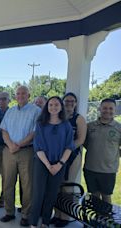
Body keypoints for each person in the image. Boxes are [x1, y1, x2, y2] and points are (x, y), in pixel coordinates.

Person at [30, 96, 74, 228]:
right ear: (46, 107)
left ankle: (45, 222)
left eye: (56, 105)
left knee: (52, 194)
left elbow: (69, 146)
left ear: (61, 107)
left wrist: (59, 164)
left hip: (59, 164)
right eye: (50, 105)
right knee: (38, 194)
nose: (53, 107)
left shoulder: (66, 125)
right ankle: (33, 223)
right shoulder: (40, 124)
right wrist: (49, 165)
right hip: (42, 163)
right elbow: (38, 146)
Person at [0, 86, 41, 227]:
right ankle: (9, 212)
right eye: (18, 93)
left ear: (29, 95)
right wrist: (11, 145)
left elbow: (35, 132)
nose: (21, 95)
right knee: (7, 182)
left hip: (26, 151)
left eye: (23, 93)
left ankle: (26, 215)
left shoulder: (36, 111)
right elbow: (4, 130)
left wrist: (19, 145)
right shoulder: (10, 111)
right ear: (15, 96)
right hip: (9, 151)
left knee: (27, 184)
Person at [51, 92, 87, 227]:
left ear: (76, 104)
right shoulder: (58, 118)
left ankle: (65, 218)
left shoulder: (79, 119)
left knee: (67, 187)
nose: (69, 103)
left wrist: (66, 149)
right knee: (57, 186)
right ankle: (57, 214)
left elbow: (80, 139)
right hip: (57, 156)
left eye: (72, 101)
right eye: (66, 101)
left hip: (72, 156)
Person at [83, 98, 121, 204]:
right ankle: (95, 220)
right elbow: (85, 142)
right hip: (90, 168)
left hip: (108, 171)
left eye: (110, 108)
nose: (107, 111)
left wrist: (114, 155)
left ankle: (107, 220)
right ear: (100, 108)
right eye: (104, 108)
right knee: (94, 197)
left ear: (115, 110)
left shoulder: (119, 128)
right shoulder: (90, 126)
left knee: (106, 198)